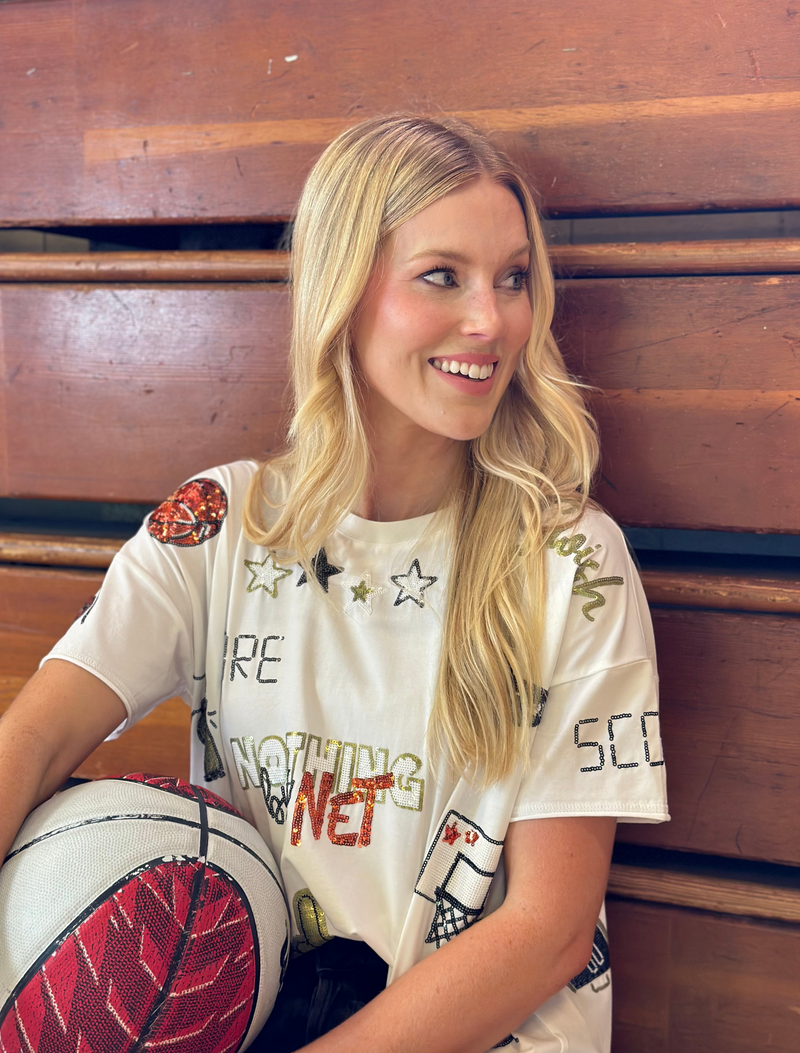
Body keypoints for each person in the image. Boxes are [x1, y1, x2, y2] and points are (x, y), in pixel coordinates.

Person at [0, 114, 667, 1052]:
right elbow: (27, 744)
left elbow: (548, 933)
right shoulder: (220, 525)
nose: (493, 319)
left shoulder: (571, 562)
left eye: (513, 277)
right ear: (344, 292)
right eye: (444, 276)